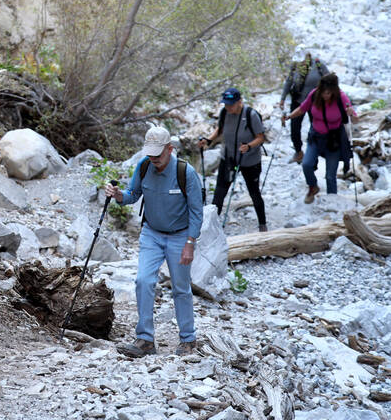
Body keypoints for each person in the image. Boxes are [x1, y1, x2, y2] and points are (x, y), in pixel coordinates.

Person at [104, 127, 202, 358]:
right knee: (143, 281)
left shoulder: (185, 173)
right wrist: (118, 196)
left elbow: (197, 212)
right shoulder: (144, 165)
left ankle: (188, 339)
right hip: (151, 233)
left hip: (180, 235)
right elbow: (132, 194)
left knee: (180, 288)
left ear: (170, 149)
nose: (154, 158)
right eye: (150, 153)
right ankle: (145, 339)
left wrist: (190, 243)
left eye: (158, 153)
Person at [200, 88, 268, 232]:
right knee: (219, 192)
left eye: (231, 104)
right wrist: (208, 140)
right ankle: (209, 226)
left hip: (250, 160)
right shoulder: (225, 113)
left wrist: (249, 146)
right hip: (229, 158)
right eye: (226, 104)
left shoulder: (251, 115)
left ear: (239, 102)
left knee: (254, 192)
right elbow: (219, 130)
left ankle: (263, 225)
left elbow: (261, 137)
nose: (228, 107)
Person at [286, 72, 357, 203]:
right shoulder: (314, 94)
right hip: (316, 137)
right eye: (323, 92)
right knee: (306, 164)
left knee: (330, 176)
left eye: (328, 93)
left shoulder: (341, 98)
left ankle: (332, 203)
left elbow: (353, 117)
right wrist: (290, 116)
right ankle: (313, 187)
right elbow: (302, 109)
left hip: (333, 140)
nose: (325, 95)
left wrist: (351, 114)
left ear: (334, 91)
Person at [278, 51, 329, 163]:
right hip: (298, 100)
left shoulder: (318, 64)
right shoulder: (295, 66)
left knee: (315, 127)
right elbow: (289, 81)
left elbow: (329, 80)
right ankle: (298, 151)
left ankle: (315, 152)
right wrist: (282, 98)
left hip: (315, 101)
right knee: (294, 127)